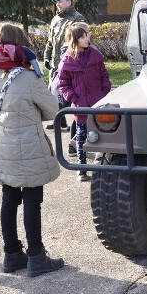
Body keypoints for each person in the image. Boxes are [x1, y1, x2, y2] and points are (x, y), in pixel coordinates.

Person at [0, 22, 64, 277]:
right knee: (31, 200)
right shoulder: (27, 76)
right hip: (29, 144)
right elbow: (53, 109)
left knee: (9, 198)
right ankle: (37, 257)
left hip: (3, 143)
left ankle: (12, 254)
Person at [58, 22, 112, 182]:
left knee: (103, 135)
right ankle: (81, 167)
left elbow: (104, 75)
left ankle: (104, 167)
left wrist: (104, 91)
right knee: (81, 136)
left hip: (99, 104)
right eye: (82, 37)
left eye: (86, 35)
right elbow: (64, 84)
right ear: (75, 40)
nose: (87, 38)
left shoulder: (95, 57)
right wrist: (74, 98)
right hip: (80, 106)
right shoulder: (67, 62)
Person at [43, 0, 86, 131]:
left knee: (71, 94)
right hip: (55, 64)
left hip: (69, 64)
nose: (58, 5)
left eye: (61, 2)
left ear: (69, 2)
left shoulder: (77, 18)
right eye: (56, 2)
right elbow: (50, 41)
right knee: (55, 93)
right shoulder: (55, 19)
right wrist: (46, 57)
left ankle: (78, 124)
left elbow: (81, 41)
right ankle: (60, 121)